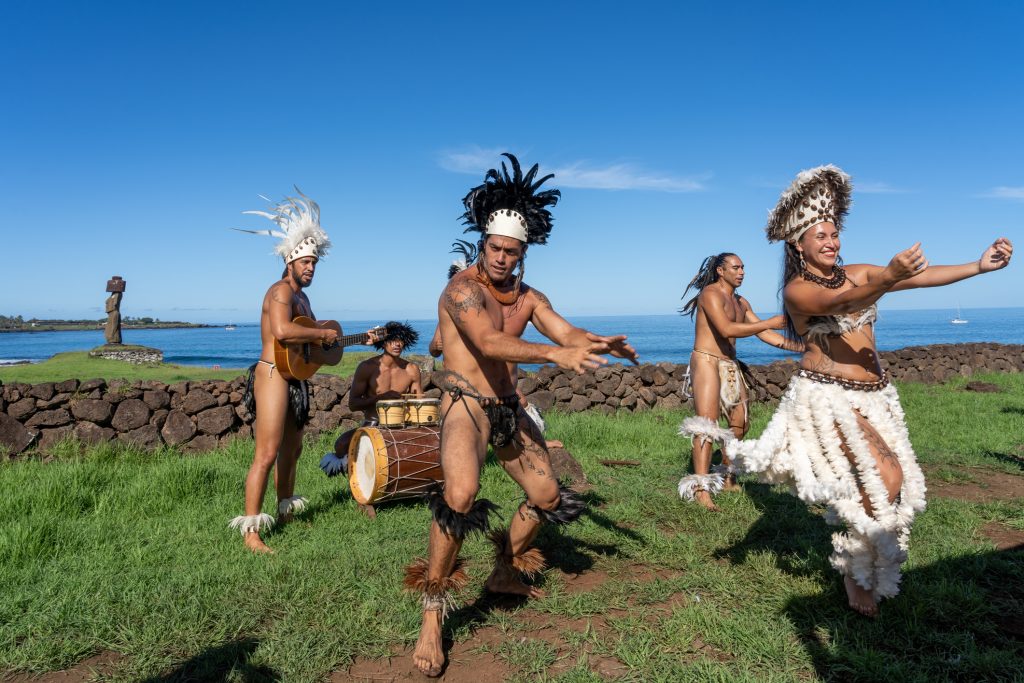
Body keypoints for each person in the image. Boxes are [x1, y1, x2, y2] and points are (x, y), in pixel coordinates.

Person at [723, 165, 1012, 616]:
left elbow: (919, 277)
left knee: (889, 481)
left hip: (876, 396)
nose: (831, 242)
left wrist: (978, 266)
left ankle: (863, 562)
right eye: (820, 236)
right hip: (829, 398)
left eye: (834, 234)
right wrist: (886, 277)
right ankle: (854, 574)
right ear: (798, 244)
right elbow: (841, 302)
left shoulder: (856, 273)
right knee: (886, 478)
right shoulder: (798, 291)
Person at [407, 153, 639, 676]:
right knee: (460, 495)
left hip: (508, 407)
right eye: (494, 248)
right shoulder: (461, 289)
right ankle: (433, 612)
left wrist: (595, 342)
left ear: (524, 252)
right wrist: (555, 354)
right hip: (465, 403)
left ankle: (503, 570)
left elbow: (564, 330)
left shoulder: (530, 296)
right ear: (482, 242)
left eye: (511, 251)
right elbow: (489, 341)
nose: (501, 258)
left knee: (547, 495)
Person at [228, 189, 376, 553]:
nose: (311, 268)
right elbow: (283, 331)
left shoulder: (304, 299)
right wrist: (321, 334)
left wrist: (360, 339)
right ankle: (251, 532)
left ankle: (285, 512)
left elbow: (317, 343)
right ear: (290, 260)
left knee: (292, 451)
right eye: (306, 262)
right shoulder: (280, 291)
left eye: (314, 263)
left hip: (294, 377)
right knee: (267, 452)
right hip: (271, 374)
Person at [677, 253, 804, 510]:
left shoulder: (741, 302)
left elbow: (765, 334)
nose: (742, 272)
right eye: (736, 267)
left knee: (741, 423)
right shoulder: (710, 294)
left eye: (743, 267)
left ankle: (727, 474)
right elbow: (726, 329)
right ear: (720, 271)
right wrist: (770, 322)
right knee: (706, 425)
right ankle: (701, 489)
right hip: (706, 360)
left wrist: (803, 347)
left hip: (730, 365)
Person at [319, 321, 423, 477]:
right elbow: (353, 404)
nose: (397, 344)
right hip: (373, 423)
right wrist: (380, 398)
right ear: (383, 342)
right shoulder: (367, 367)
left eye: (401, 340)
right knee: (341, 444)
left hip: (402, 425)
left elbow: (420, 404)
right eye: (392, 340)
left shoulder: (411, 370)